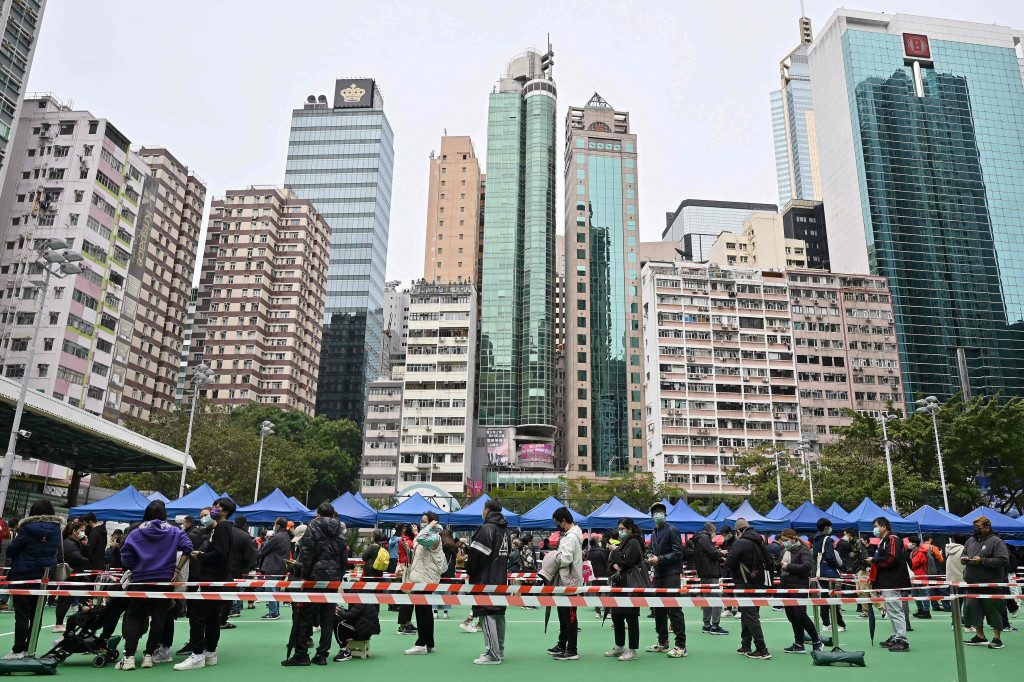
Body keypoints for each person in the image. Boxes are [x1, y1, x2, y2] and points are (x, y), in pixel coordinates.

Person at [116, 500, 192, 670]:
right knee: (159, 619)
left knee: (135, 617)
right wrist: (177, 569)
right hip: (164, 581)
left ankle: (128, 657)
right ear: (164, 514)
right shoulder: (175, 531)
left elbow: (125, 556)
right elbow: (188, 548)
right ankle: (149, 655)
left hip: (140, 580)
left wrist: (136, 566)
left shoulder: (135, 533)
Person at [282, 502, 348, 666]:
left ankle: (301, 654)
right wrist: (339, 575)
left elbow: (307, 553)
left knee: (305, 616)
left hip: (315, 577)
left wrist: (305, 575)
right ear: (333, 515)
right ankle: (322, 655)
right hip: (333, 578)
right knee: (327, 618)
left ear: (318, 514)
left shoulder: (312, 526)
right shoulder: (339, 528)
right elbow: (344, 555)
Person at [175, 497, 236, 671]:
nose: (214, 509)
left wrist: (201, 556)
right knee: (212, 617)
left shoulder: (223, 528)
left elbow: (220, 553)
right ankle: (210, 653)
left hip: (211, 578)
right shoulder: (222, 528)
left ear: (224, 511)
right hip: (216, 578)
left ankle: (197, 654)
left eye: (217, 507)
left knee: (197, 616)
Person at [3, 500, 60, 659]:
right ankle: (30, 647)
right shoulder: (56, 529)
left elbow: (12, 550)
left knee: (22, 614)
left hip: (23, 574)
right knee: (37, 613)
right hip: (44, 574)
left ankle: (17, 650)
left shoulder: (26, 529)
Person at [466, 498, 510, 665]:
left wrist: (471, 572)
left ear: (487, 509)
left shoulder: (487, 528)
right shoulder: (506, 530)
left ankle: (493, 653)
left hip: (486, 578)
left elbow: (476, 556)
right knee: (498, 613)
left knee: (486, 613)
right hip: (500, 578)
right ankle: (499, 649)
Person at [724, 518, 772, 660]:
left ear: (738, 531)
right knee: (748, 614)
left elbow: (729, 563)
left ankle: (762, 649)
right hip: (757, 583)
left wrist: (726, 558)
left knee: (750, 615)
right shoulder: (759, 541)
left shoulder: (740, 543)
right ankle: (746, 645)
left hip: (744, 582)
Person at [645, 501, 687, 657]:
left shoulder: (672, 530)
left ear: (665, 514)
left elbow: (678, 553)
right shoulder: (654, 533)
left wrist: (660, 559)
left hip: (671, 574)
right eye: (655, 512)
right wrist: (651, 558)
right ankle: (663, 642)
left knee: (674, 609)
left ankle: (681, 645)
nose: (658, 514)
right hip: (658, 574)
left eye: (660, 511)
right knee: (659, 609)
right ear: (651, 516)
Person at [605, 517, 650, 661]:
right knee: (617, 615)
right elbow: (612, 562)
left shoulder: (634, 542)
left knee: (631, 617)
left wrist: (614, 551)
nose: (620, 531)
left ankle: (632, 650)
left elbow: (625, 560)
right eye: (619, 528)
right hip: (620, 584)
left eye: (622, 528)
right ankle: (619, 646)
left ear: (630, 529)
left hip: (631, 586)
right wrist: (614, 564)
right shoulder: (625, 543)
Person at [962, 516, 1009, 649]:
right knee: (972, 609)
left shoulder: (996, 541)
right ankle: (980, 636)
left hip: (990, 584)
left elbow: (1003, 560)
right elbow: (963, 553)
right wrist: (964, 558)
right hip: (972, 583)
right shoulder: (970, 541)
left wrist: (982, 560)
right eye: (974, 528)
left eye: (978, 528)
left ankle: (997, 638)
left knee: (993, 611)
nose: (975, 530)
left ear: (987, 528)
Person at [868, 516, 910, 652]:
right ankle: (895, 637)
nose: (874, 529)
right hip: (888, 580)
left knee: (896, 611)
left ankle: (902, 640)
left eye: (876, 526)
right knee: (892, 610)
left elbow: (891, 558)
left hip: (893, 580)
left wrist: (874, 561)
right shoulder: (885, 540)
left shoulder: (892, 539)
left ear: (883, 527)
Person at [405, 512, 445, 655]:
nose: (421, 523)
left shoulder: (433, 536)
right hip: (422, 577)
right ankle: (429, 643)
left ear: (433, 523)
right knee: (425, 611)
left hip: (425, 579)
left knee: (422, 612)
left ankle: (421, 643)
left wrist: (427, 528)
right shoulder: (429, 535)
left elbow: (421, 538)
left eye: (424, 521)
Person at [546, 506, 583, 661]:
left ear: (563, 521)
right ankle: (562, 644)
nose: (558, 527)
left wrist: (553, 557)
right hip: (567, 582)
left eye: (558, 524)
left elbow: (566, 558)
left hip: (570, 583)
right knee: (563, 616)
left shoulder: (571, 537)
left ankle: (572, 649)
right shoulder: (572, 535)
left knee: (569, 617)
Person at [778, 528, 822, 654]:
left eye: (786, 540)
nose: (784, 543)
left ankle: (816, 641)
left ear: (793, 538)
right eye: (783, 540)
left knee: (800, 615)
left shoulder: (803, 549)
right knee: (791, 616)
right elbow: (782, 567)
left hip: (799, 586)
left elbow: (807, 566)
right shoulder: (784, 551)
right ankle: (798, 643)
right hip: (786, 585)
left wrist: (789, 566)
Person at [54, 519, 90, 634]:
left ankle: (83, 622)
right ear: (74, 531)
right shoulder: (69, 543)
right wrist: (86, 560)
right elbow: (76, 558)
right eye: (81, 531)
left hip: (77, 575)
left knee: (84, 598)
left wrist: (85, 546)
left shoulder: (76, 542)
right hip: (71, 575)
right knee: (65, 600)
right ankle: (59, 624)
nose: (83, 533)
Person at [693, 521, 728, 635]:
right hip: (711, 572)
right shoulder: (705, 538)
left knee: (707, 599)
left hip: (703, 572)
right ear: (711, 530)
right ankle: (715, 625)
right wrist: (721, 553)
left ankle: (707, 624)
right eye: (715, 531)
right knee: (716, 599)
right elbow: (712, 553)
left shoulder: (698, 538)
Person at [811, 518, 845, 632]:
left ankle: (827, 623)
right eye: (830, 527)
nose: (831, 529)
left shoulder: (815, 539)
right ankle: (838, 623)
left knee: (826, 597)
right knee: (831, 597)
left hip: (819, 571)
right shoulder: (827, 539)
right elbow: (830, 556)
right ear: (826, 527)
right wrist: (838, 566)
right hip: (828, 572)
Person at [256, 517, 291, 621]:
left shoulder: (277, 537)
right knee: (275, 590)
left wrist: (256, 553)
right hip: (281, 566)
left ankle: (273, 612)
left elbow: (263, 551)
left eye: (275, 524)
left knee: (271, 590)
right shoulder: (286, 536)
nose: (274, 526)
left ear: (278, 526)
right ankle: (275, 611)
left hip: (273, 566)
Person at [224, 515, 256, 623]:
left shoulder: (226, 533)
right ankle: (236, 608)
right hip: (238, 567)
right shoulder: (246, 536)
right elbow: (249, 554)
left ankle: (230, 610)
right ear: (244, 524)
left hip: (223, 566)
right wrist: (245, 566)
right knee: (237, 588)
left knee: (225, 589)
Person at [395, 524, 418, 635]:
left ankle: (407, 623)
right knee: (406, 598)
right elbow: (416, 547)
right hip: (407, 569)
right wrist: (416, 534)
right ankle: (402, 626)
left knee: (410, 599)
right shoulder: (405, 540)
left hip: (410, 569)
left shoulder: (407, 538)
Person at [946, 532, 971, 630]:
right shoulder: (964, 551)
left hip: (951, 581)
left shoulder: (948, 549)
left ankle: (954, 623)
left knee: (955, 603)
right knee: (967, 603)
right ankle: (968, 625)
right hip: (963, 580)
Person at [435, 529, 458, 619]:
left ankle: (435, 612)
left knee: (436, 591)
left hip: (438, 571)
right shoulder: (453, 546)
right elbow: (454, 559)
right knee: (447, 592)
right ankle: (445, 612)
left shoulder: (438, 545)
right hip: (449, 571)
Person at [907, 537, 931, 618]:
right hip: (915, 577)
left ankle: (926, 611)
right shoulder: (913, 552)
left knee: (924, 594)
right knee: (916, 594)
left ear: (914, 543)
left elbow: (913, 565)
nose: (909, 544)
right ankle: (920, 610)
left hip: (921, 577)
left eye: (910, 542)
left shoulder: (920, 553)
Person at [587, 538, 609, 619]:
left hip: (593, 575)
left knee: (596, 594)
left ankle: (598, 612)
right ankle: (608, 612)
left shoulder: (589, 553)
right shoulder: (601, 552)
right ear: (596, 543)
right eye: (599, 541)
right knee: (607, 593)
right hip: (603, 575)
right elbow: (606, 563)